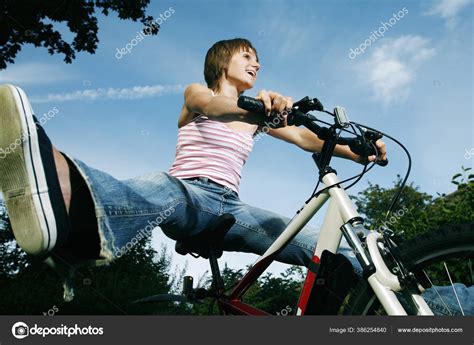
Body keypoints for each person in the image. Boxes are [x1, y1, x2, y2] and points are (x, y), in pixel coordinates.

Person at [0, 38, 469, 315]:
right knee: (161, 190)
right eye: (247, 56)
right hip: (190, 194)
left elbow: (309, 139)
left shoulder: (258, 117)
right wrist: (256, 104)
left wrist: (360, 152)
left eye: (258, 60)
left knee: (331, 250)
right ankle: (68, 206)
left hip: (233, 209)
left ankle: (445, 307)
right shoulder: (198, 93)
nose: (256, 63)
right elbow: (210, 107)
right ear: (223, 63)